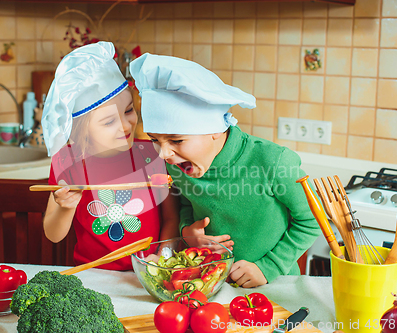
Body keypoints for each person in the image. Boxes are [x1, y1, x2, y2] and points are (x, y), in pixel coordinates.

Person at [129, 53, 320, 287]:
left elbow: (313, 221)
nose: (163, 154)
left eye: (176, 141)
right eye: (155, 140)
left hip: (275, 286)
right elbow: (187, 205)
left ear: (215, 129)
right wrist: (188, 232)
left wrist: (269, 267)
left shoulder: (273, 162)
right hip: (210, 285)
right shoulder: (178, 165)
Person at [41, 42, 179, 270]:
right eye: (109, 121)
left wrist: (163, 258)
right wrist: (66, 207)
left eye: (128, 110)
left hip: (147, 274)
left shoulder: (154, 154)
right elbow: (53, 234)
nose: (126, 125)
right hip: (92, 276)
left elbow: (172, 219)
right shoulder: (67, 161)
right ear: (80, 129)